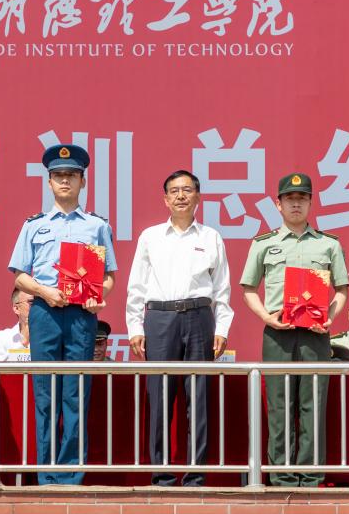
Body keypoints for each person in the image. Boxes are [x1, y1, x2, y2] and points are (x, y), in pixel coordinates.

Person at [8, 143, 117, 485]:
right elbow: (20, 275)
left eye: (71, 175)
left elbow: (109, 277)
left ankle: (71, 474)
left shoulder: (96, 226)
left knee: (75, 392)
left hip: (82, 315)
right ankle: (47, 474)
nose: (65, 181)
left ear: (83, 181)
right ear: (49, 182)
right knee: (45, 393)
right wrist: (44, 292)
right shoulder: (34, 225)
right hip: (45, 313)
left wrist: (98, 297)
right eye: (58, 176)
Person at [125, 169, 232, 487]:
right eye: (174, 191)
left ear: (198, 197)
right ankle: (161, 474)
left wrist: (222, 328)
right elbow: (136, 286)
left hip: (199, 317)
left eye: (187, 190)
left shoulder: (210, 237)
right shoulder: (151, 237)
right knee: (159, 397)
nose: (181, 196)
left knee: (198, 398)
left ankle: (196, 474)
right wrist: (135, 326)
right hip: (160, 319)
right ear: (165, 199)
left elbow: (222, 288)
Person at [240, 172, 348, 487]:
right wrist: (266, 317)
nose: (296, 204)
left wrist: (329, 316)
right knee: (279, 405)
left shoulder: (329, 244)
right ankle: (282, 476)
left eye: (302, 198)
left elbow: (342, 289)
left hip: (316, 334)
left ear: (311, 202)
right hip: (278, 332)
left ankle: (311, 475)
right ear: (279, 204)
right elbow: (248, 288)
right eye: (290, 199)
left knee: (312, 404)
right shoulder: (264, 243)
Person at [0, 288, 31, 362]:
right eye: (31, 302)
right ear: (17, 308)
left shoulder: (50, 337)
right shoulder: (2, 338)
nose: (37, 308)